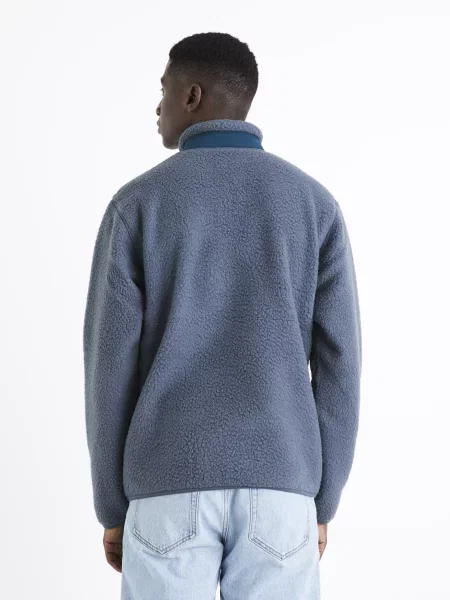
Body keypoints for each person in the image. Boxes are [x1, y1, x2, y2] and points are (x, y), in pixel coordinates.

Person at [83, 31, 362, 600]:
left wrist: (112, 505)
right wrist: (322, 498)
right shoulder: (314, 205)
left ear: (192, 96)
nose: (157, 106)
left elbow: (107, 369)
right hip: (283, 488)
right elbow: (341, 368)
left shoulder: (136, 205)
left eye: (164, 89)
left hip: (165, 487)